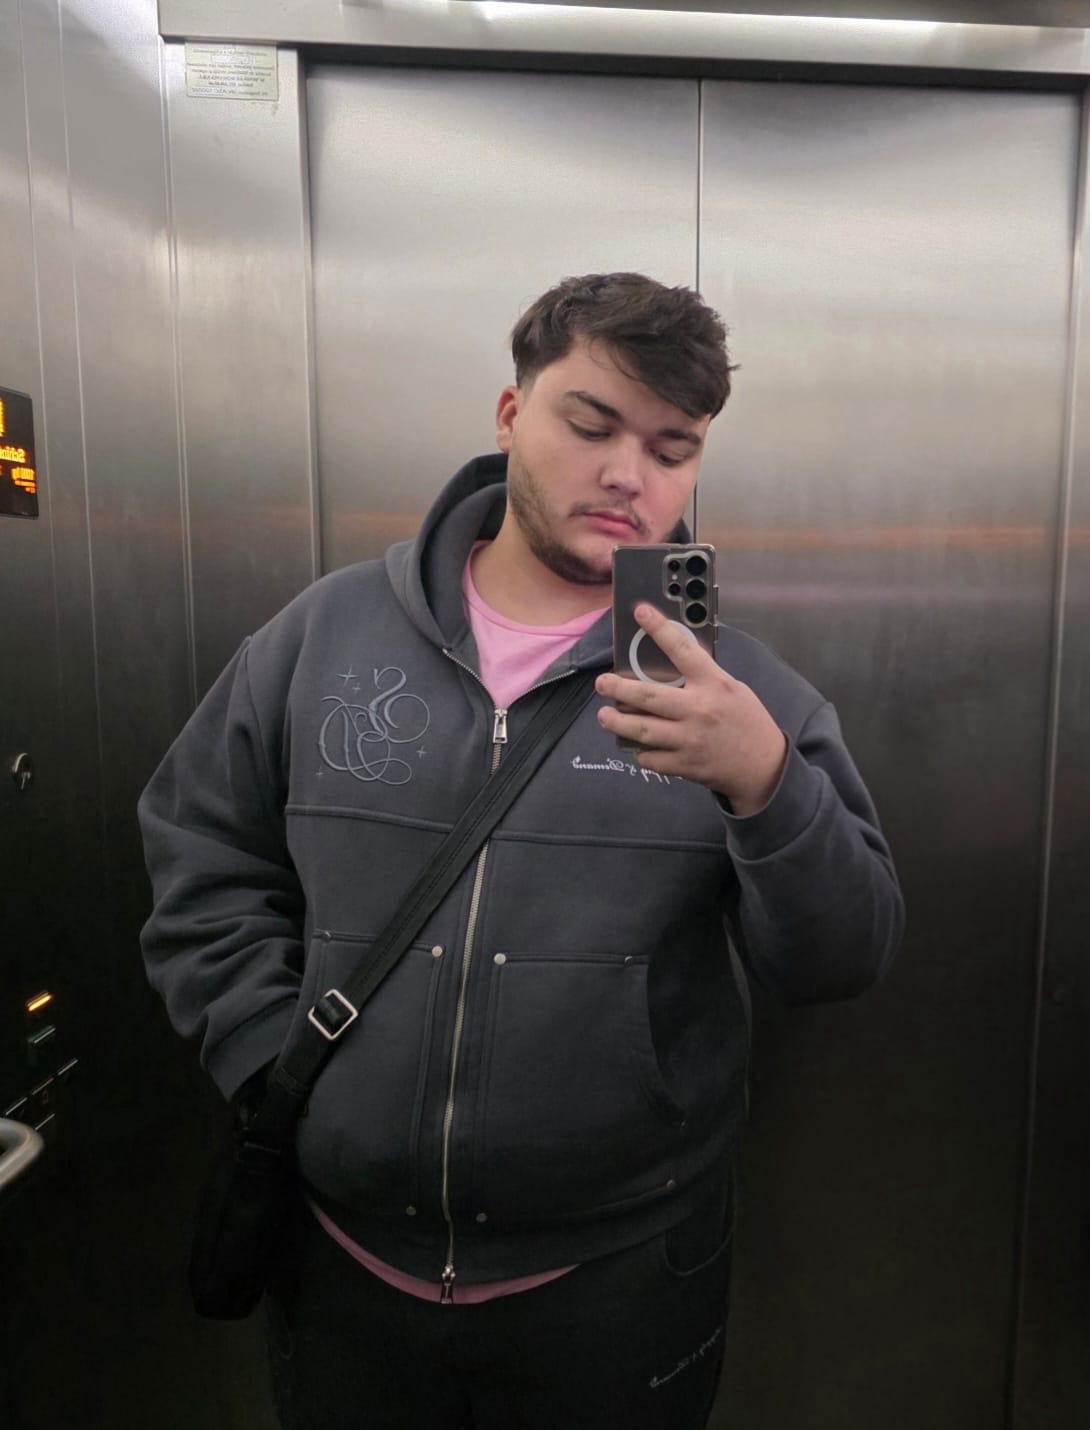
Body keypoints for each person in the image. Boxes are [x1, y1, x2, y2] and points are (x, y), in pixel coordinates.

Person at [138, 272, 903, 1430]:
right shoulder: (323, 637)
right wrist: (268, 1058)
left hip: (621, 1278)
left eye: (672, 447)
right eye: (590, 424)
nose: (629, 474)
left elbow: (845, 956)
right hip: (342, 1267)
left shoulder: (740, 697)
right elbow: (202, 855)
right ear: (510, 414)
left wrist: (765, 783)